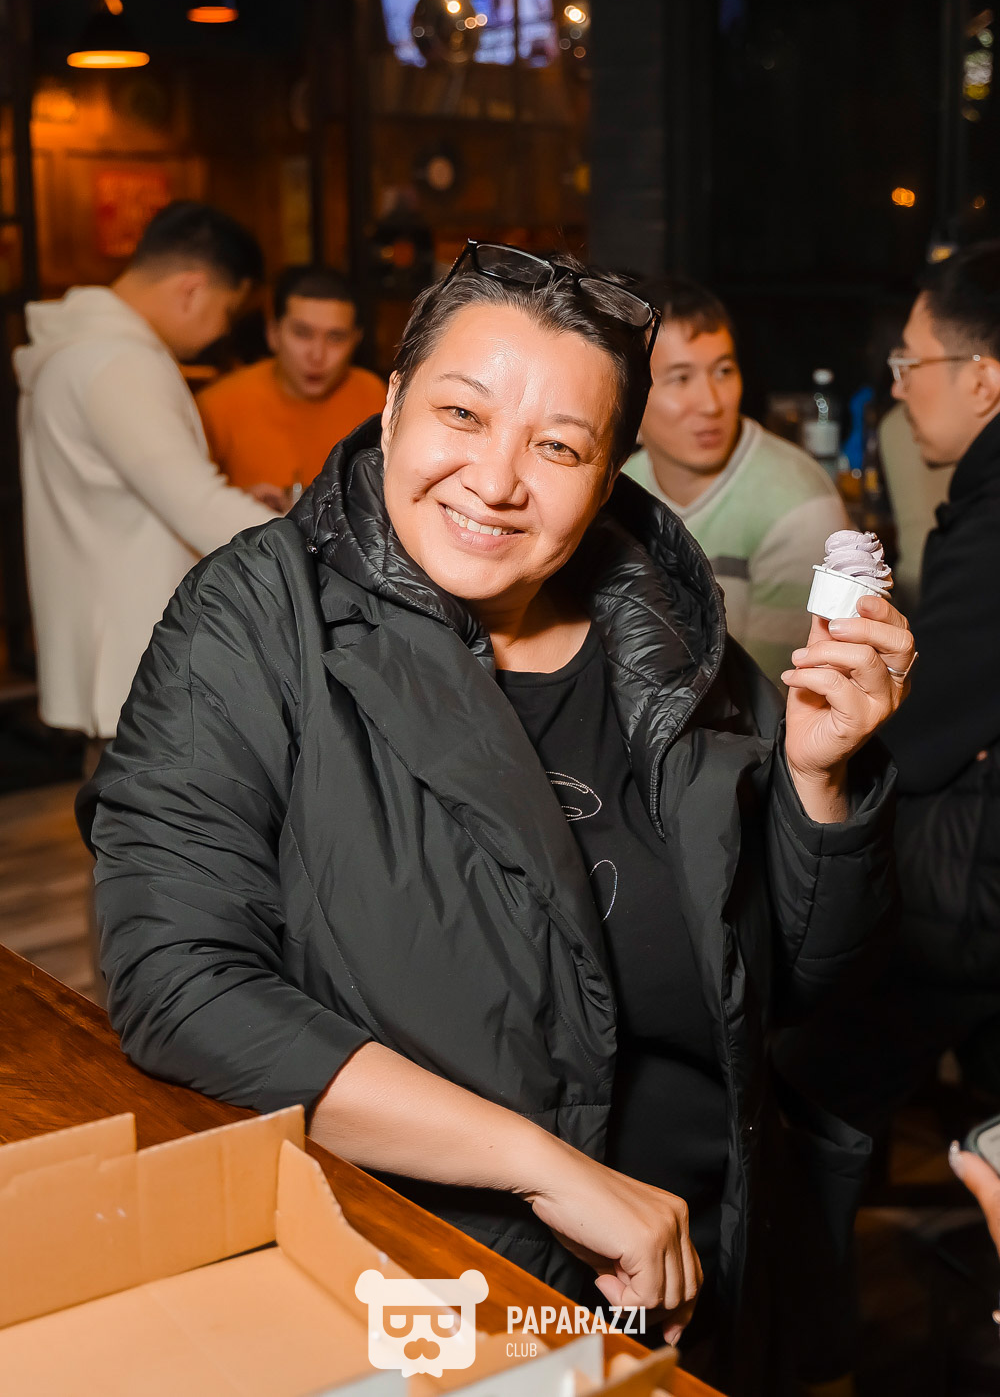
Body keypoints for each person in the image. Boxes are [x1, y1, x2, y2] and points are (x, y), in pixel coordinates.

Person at [78, 242, 910, 1395]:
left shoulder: (666, 641)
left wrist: (821, 780)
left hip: (702, 1270)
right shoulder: (257, 617)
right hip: (430, 1281)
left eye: (557, 446)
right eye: (461, 415)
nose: (496, 479)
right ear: (390, 409)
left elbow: (797, 986)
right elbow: (178, 982)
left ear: (610, 475)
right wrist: (545, 1168)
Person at [774, 240, 1000, 1393]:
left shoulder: (996, 507)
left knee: (804, 1079)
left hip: (976, 889)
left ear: (983, 378)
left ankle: (804, 1358)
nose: (899, 388)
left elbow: (933, 723)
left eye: (911, 364)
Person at [17, 200, 275, 748]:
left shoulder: (77, 351)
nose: (219, 332)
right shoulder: (119, 362)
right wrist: (315, 540)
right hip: (137, 652)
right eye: (227, 313)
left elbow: (126, 493)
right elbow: (199, 507)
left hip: (111, 644)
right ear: (192, 289)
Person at [623, 277, 849, 687]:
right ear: (630, 391)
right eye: (681, 378)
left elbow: (778, 693)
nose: (712, 404)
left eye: (723, 371)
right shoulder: (616, 490)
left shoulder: (797, 505)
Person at [197, 264, 386, 503]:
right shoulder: (217, 405)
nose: (317, 355)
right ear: (273, 333)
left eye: (336, 338)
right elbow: (191, 501)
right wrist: (235, 502)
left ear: (356, 340)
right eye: (302, 333)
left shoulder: (374, 395)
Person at [878, 400, 952, 619]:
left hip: (914, 598)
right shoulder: (903, 423)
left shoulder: (894, 424)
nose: (896, 391)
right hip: (932, 600)